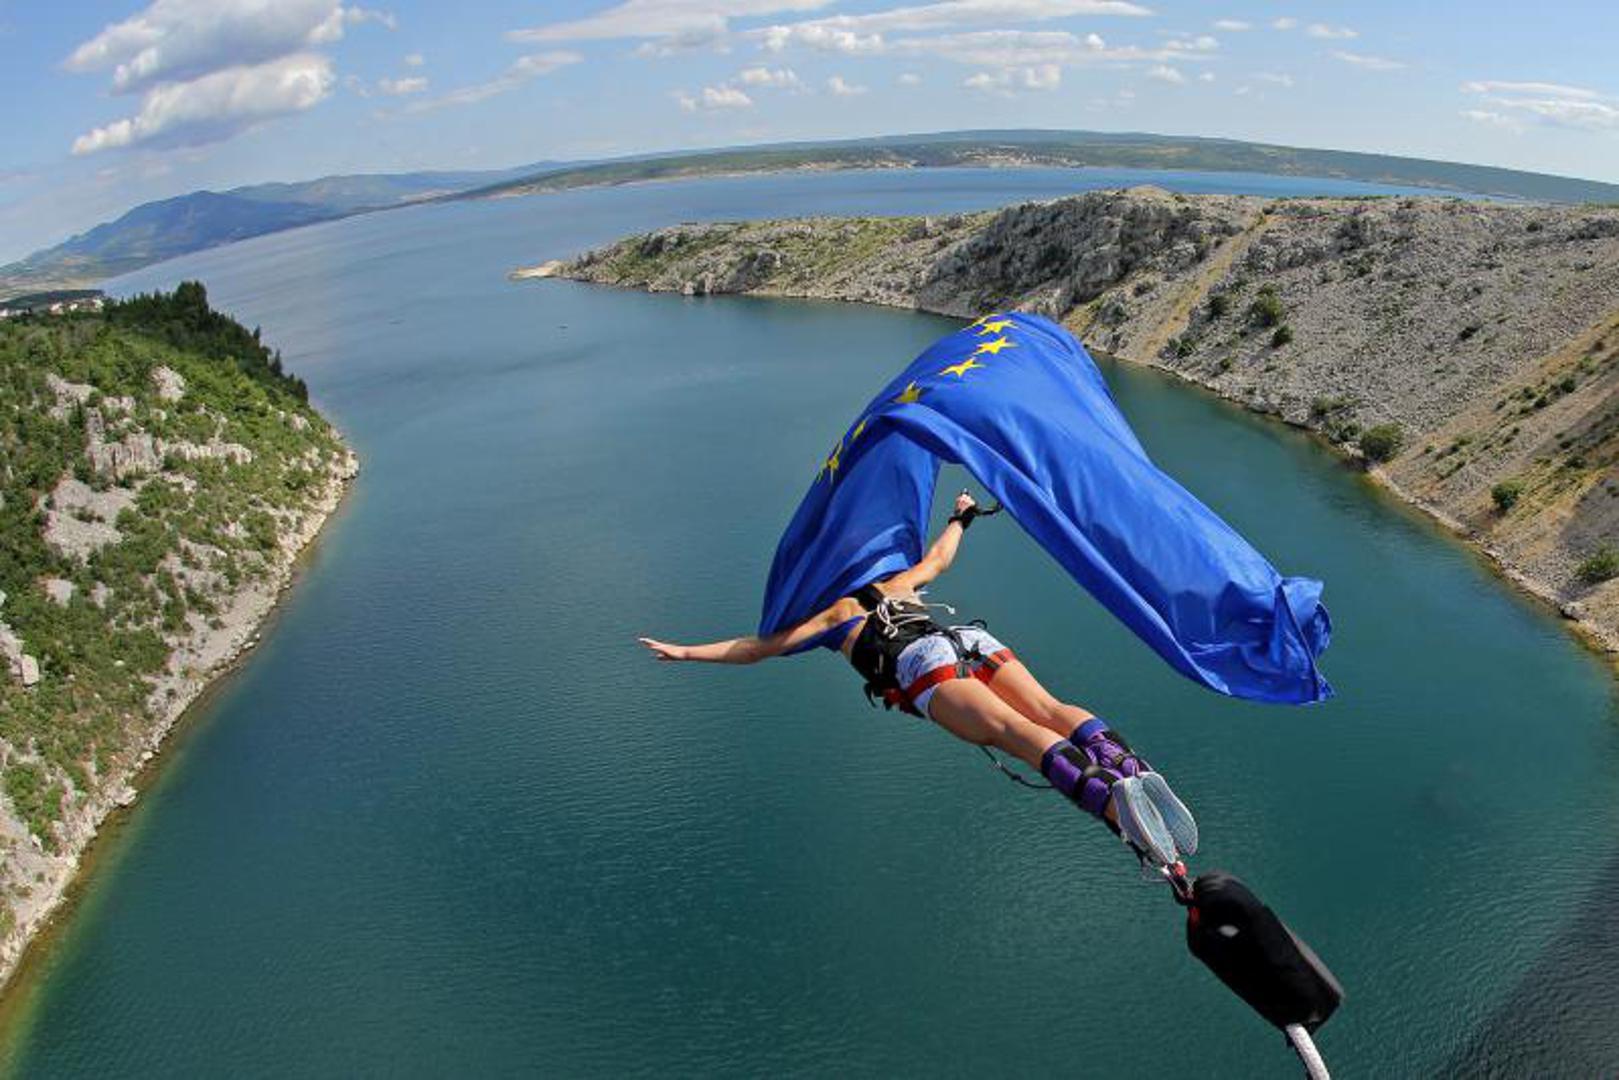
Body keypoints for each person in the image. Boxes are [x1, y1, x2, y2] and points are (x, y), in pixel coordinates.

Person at [639, 490, 1198, 867]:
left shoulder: (835, 614)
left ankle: (1113, 803)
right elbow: (940, 559)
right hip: (969, 639)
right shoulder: (898, 582)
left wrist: (686, 653)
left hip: (922, 665)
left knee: (1014, 732)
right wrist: (961, 516)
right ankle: (1130, 767)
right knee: (1049, 708)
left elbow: (756, 649)